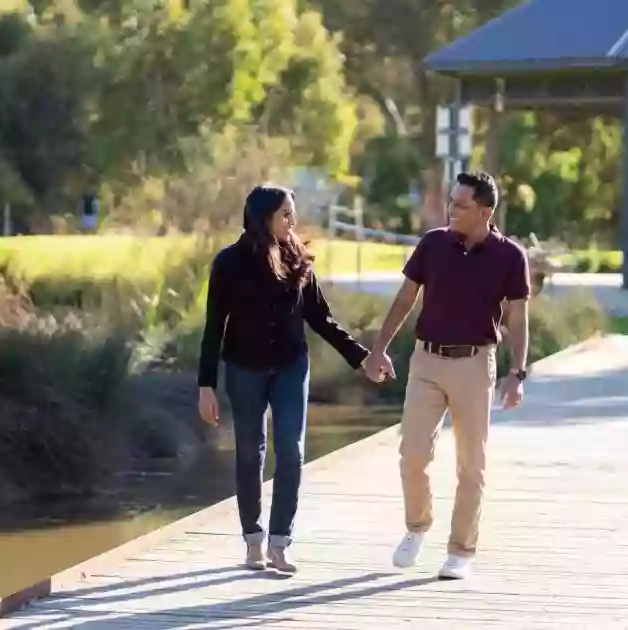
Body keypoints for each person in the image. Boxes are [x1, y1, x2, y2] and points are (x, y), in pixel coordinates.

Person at [363, 171, 531, 580]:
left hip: (475, 364)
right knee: (412, 455)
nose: (451, 210)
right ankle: (417, 527)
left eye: (461, 204)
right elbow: (406, 298)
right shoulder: (433, 244)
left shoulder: (510, 257)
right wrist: (379, 348)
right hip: (426, 362)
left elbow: (519, 318)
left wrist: (517, 372)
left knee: (471, 465)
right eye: (450, 202)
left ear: (486, 211)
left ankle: (461, 551)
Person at [197, 184, 372, 574]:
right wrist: (205, 386)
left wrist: (361, 358)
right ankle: (253, 541)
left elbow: (322, 319)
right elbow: (213, 329)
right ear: (264, 219)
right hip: (244, 369)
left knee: (291, 451)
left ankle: (280, 543)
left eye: (292, 214)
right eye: (285, 215)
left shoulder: (298, 260)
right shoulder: (228, 264)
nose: (293, 221)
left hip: (291, 367)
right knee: (250, 452)